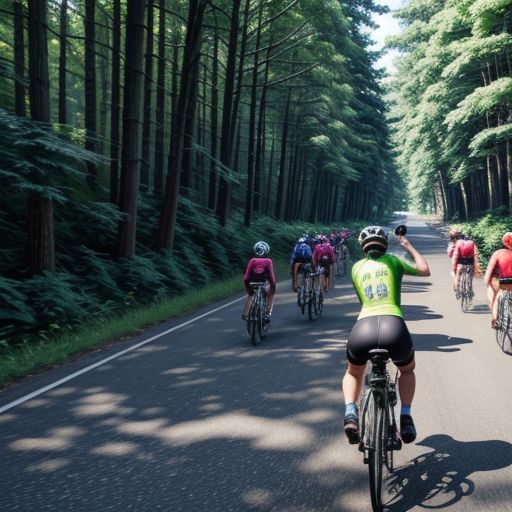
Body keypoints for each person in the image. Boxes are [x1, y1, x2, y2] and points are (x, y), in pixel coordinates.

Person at [342, 225, 430, 445]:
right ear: (385, 244)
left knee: (354, 373)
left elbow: (363, 302)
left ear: (363, 247)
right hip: (394, 326)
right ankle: (406, 417)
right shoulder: (394, 261)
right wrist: (408, 246)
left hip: (364, 327)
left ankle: (351, 413)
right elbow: (424, 269)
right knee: (407, 370)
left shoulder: (356, 268)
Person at [242, 241, 276, 323]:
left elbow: (246, 277)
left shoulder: (252, 260)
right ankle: (267, 314)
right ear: (266, 251)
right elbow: (271, 277)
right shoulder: (268, 261)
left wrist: (248, 288)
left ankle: (246, 314)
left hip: (251, 282)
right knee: (271, 293)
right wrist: (273, 286)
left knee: (251, 295)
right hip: (263, 282)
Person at [484, 232, 512, 329]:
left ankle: (495, 319)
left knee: (495, 299)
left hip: (503, 282)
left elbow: (489, 271)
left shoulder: (499, 253)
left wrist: (487, 283)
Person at [451, 232, 482, 297]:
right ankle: (470, 289)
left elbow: (455, 256)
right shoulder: (472, 243)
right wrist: (477, 267)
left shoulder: (458, 243)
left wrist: (453, 268)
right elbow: (475, 255)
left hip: (461, 264)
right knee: (470, 276)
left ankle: (457, 289)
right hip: (470, 263)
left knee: (458, 276)